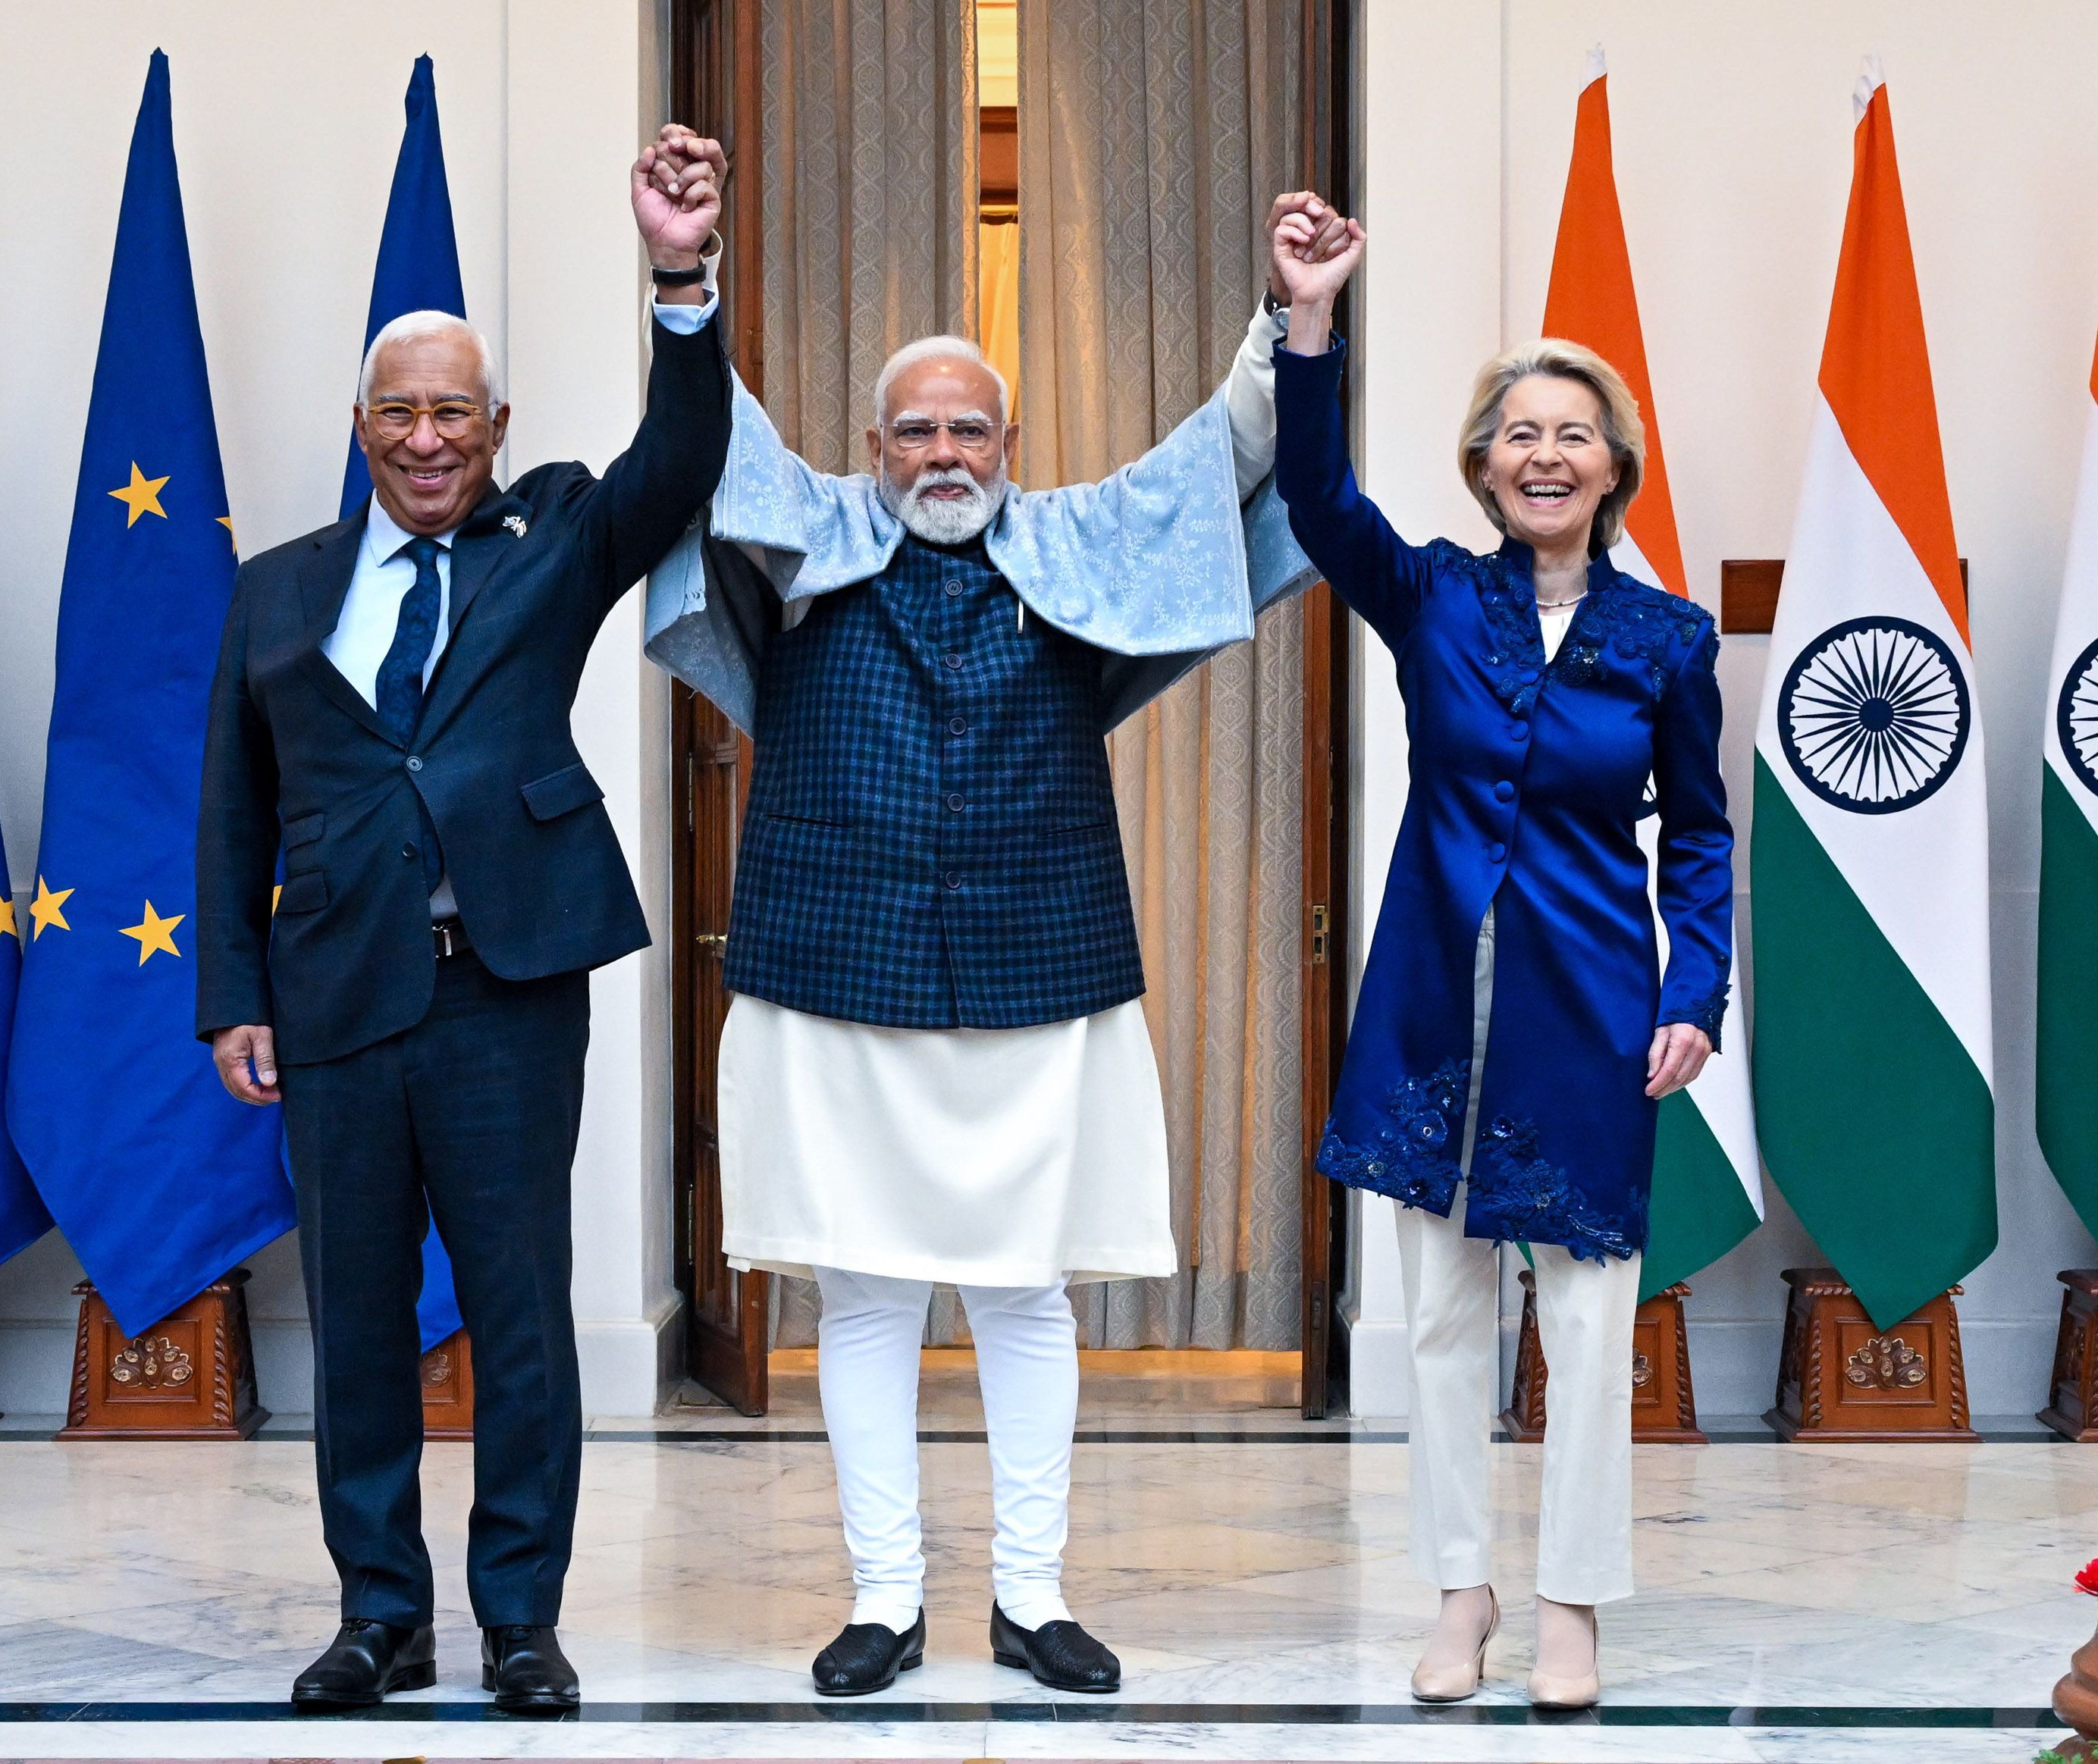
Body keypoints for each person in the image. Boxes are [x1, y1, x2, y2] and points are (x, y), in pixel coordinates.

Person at [642, 192, 1352, 1697]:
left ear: (1007, 446)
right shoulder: (808, 536)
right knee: (865, 1294)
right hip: (833, 972)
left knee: (1027, 1294)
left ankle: (1031, 1597)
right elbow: (710, 433)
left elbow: (1221, 453)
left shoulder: (1084, 542)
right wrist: (684, 273)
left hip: (1042, 974)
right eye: (914, 432)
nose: (943, 455)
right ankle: (882, 1600)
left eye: (970, 430)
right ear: (874, 444)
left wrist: (1292, 315)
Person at [194, 129, 734, 1715]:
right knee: (355, 1321)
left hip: (505, 990)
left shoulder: (555, 532)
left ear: (496, 428)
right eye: (399, 412)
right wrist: (233, 992)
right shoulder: (279, 592)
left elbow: (681, 457)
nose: (427, 437)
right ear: (358, 428)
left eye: (454, 412)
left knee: (519, 1316)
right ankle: (379, 1613)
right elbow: (230, 802)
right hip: (337, 993)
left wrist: (679, 274)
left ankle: (517, 1618)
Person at [1267, 216, 1733, 1707]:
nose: (1544, 455)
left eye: (1571, 435)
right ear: (1481, 464)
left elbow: (1703, 842)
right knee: (1443, 1318)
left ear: (1611, 467)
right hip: (1428, 1015)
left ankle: (1569, 1601)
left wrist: (1691, 995)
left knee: (1590, 1324)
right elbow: (1315, 497)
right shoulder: (1433, 600)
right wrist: (1309, 320)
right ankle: (1460, 1594)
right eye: (1517, 433)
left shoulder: (1665, 639)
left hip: (1591, 1014)